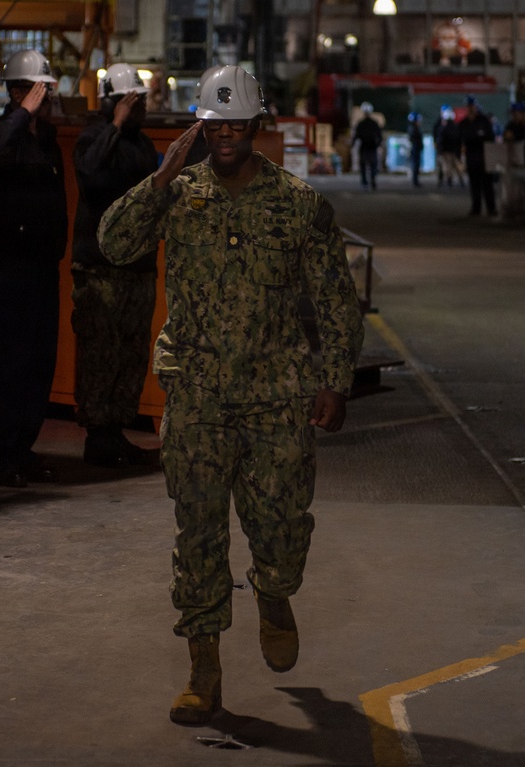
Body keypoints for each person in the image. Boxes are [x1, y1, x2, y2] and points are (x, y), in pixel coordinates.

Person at [97, 65, 365, 726]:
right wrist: (160, 178)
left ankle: (274, 593)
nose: (225, 137)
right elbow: (114, 243)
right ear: (201, 127)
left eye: (237, 125)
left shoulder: (297, 203)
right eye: (215, 126)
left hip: (276, 397)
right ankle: (204, 671)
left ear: (256, 125)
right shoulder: (178, 194)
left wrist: (335, 380)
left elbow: (336, 299)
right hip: (197, 397)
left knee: (281, 528)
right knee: (198, 535)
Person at [0, 50, 66, 488]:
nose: (46, 98)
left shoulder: (46, 139)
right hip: (6, 270)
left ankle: (22, 449)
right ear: (16, 92)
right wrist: (21, 114)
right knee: (6, 365)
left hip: (42, 269)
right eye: (37, 90)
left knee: (37, 364)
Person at [72, 62, 160, 468]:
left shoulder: (142, 145)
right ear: (113, 103)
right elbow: (89, 175)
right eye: (131, 101)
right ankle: (99, 435)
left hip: (137, 266)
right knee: (100, 353)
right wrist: (116, 125)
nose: (139, 108)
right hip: (100, 269)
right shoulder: (94, 138)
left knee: (132, 352)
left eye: (140, 101)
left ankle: (116, 431)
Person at [459, 96, 497, 216]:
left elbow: (490, 138)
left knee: (487, 185)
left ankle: (491, 208)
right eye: (468, 106)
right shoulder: (464, 123)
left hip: (484, 157)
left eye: (472, 106)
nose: (470, 109)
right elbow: (460, 140)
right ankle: (476, 208)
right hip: (471, 158)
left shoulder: (484, 121)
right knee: (474, 185)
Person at [353, 101, 381, 190]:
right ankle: (372, 181)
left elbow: (356, 135)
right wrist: (378, 144)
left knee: (364, 166)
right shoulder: (374, 123)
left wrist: (353, 144)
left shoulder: (361, 123)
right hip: (372, 146)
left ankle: (365, 182)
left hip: (364, 146)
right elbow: (379, 135)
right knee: (373, 165)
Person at [436, 107, 464, 188]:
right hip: (454, 150)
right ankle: (461, 181)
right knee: (457, 166)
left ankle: (449, 181)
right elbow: (459, 140)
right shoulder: (456, 128)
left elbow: (440, 140)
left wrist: (440, 150)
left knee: (447, 167)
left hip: (446, 151)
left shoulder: (443, 128)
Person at [407, 111, 423, 187]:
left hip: (416, 148)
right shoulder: (413, 129)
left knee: (416, 165)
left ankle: (415, 180)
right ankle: (415, 181)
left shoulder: (414, 128)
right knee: (415, 165)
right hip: (415, 149)